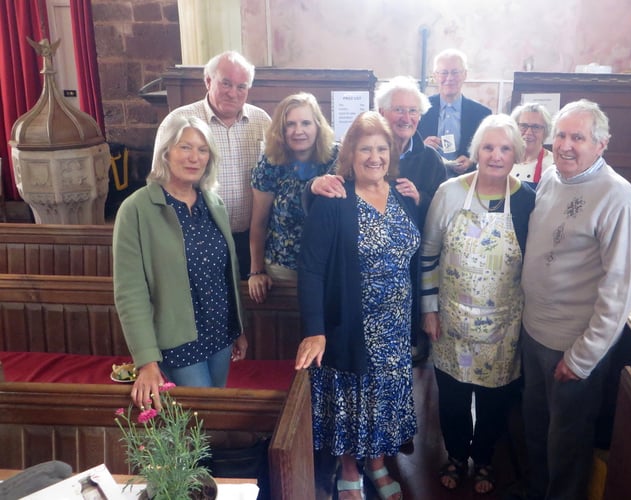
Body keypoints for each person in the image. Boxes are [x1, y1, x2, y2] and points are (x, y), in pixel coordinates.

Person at [519, 99, 631, 500]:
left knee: (567, 442)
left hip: (573, 345)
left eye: (578, 137)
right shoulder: (553, 178)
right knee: (535, 427)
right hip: (534, 332)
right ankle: (535, 491)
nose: (566, 145)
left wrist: (584, 356)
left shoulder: (617, 196)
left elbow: (620, 287)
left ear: (601, 144)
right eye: (561, 135)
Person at [295, 111, 420, 500]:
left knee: (383, 396)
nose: (374, 157)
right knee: (352, 399)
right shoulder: (334, 198)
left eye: (381, 148)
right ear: (349, 154)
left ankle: (378, 461)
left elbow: (414, 248)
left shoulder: (402, 194)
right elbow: (311, 269)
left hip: (396, 325)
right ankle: (349, 468)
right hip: (351, 324)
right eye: (365, 148)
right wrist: (315, 330)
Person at [421, 114, 535, 495]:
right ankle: (455, 455)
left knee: (494, 402)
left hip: (504, 327)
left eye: (505, 148)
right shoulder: (450, 191)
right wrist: (429, 309)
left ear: (516, 153)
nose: (496, 155)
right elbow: (428, 255)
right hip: (451, 323)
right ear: (476, 151)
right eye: (488, 147)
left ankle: (484, 458)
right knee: (452, 399)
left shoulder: (527, 201)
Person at [114, 115, 247, 411]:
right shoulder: (136, 209)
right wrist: (146, 360)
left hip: (220, 334)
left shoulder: (214, 203)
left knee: (214, 419)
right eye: (185, 147)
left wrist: (238, 328)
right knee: (198, 422)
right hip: (177, 340)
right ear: (165, 152)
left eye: (202, 150)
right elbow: (130, 292)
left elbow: (227, 274)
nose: (194, 157)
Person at [310, 75, 446, 364]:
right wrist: (311, 187)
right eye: (399, 109)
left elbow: (440, 222)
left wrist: (421, 199)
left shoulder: (428, 163)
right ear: (383, 112)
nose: (406, 117)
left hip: (399, 319)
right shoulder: (340, 187)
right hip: (352, 321)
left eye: (413, 111)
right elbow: (326, 196)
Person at [152, 50, 271, 279]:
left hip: (251, 239)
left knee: (246, 308)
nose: (233, 93)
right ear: (208, 81)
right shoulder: (178, 121)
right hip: (199, 238)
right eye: (225, 83)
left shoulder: (262, 121)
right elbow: (160, 180)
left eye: (241, 86)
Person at [248, 93, 338, 303]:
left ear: (318, 126)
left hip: (329, 267)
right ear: (281, 130)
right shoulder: (270, 163)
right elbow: (259, 224)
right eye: (290, 124)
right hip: (283, 270)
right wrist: (256, 271)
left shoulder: (337, 159)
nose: (299, 131)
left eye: (306, 123)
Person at [417, 49, 492, 177]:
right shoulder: (419, 110)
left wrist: (472, 161)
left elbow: (489, 151)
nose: (449, 78)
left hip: (466, 185)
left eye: (455, 72)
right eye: (444, 73)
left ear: (465, 75)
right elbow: (405, 149)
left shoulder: (482, 114)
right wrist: (422, 147)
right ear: (435, 76)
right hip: (427, 184)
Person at [509, 102, 554, 187]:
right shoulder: (504, 161)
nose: (529, 132)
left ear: (545, 131)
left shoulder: (553, 165)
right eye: (523, 126)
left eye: (536, 127)